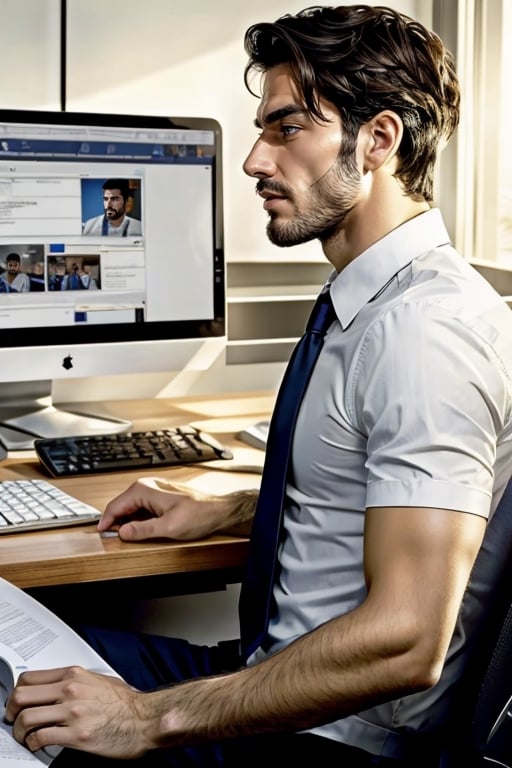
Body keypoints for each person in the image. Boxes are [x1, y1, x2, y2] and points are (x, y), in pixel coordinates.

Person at [6, 5, 512, 767]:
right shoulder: (373, 301)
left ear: (378, 140)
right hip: (268, 680)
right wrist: (226, 510)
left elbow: (409, 639)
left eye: (287, 129)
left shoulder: (423, 332)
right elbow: (372, 495)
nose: (252, 160)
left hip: (324, 740)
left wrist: (147, 718)